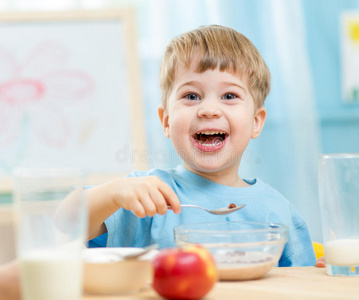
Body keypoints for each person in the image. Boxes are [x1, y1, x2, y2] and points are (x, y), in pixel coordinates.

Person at [87, 25, 317, 267]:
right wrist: (113, 193)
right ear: (166, 121)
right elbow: (66, 224)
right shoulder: (146, 197)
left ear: (255, 122)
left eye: (229, 96)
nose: (208, 110)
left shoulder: (279, 212)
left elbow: (303, 285)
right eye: (192, 96)